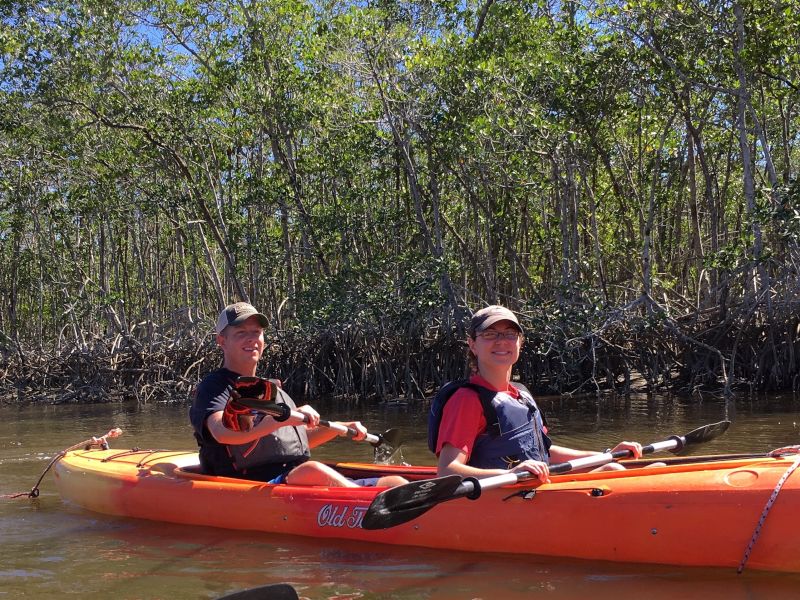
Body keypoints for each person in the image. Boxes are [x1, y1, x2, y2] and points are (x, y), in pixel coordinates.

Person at [190, 302, 406, 488]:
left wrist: (342, 427)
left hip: (292, 477)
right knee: (311, 470)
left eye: (256, 332)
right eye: (241, 333)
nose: (251, 339)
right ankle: (367, 502)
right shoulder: (215, 387)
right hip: (249, 483)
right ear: (222, 341)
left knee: (394, 481)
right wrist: (276, 420)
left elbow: (290, 443)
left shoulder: (271, 389)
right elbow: (221, 432)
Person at [434, 305, 648, 483]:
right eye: (490, 334)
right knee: (613, 472)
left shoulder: (521, 395)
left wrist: (606, 455)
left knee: (633, 466)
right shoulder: (467, 400)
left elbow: (544, 452)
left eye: (510, 334)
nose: (501, 341)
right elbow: (447, 470)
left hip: (535, 488)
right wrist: (510, 474)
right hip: (502, 496)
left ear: (520, 343)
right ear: (473, 344)